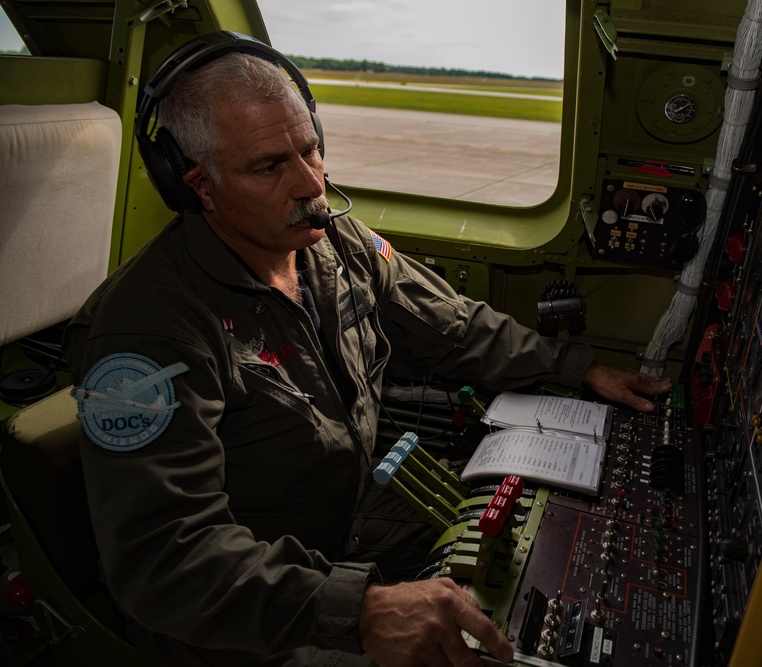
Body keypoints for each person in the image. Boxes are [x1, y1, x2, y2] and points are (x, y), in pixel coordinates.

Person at [65, 37, 671, 667]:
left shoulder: (334, 243)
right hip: (247, 611)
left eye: (312, 149)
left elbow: (455, 327)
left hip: (347, 528)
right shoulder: (150, 331)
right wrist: (360, 609)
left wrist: (580, 369)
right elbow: (167, 559)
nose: (310, 184)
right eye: (269, 166)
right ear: (197, 185)